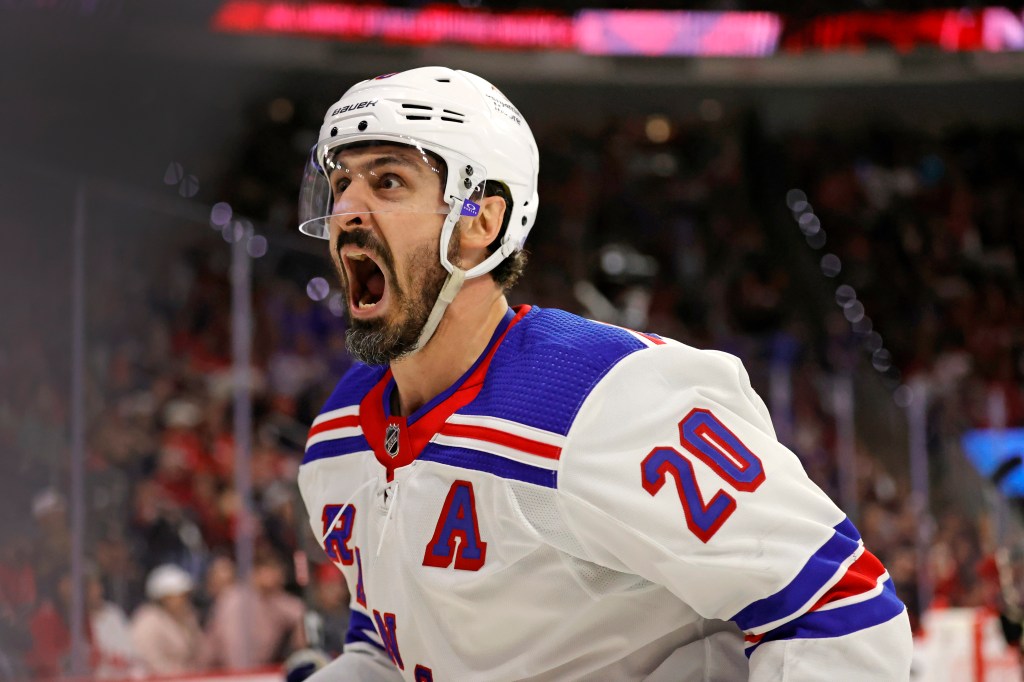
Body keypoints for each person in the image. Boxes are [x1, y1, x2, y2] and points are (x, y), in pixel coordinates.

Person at [294, 66, 913, 680]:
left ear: (479, 223)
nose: (347, 207)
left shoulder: (607, 398)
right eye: (342, 181)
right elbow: (389, 649)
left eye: (389, 181)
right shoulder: (338, 438)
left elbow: (840, 607)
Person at [200, 552, 306, 669]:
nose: (275, 576)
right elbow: (232, 649)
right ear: (254, 573)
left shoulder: (276, 600)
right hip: (221, 671)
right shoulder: (234, 599)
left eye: (276, 570)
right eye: (267, 570)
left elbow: (300, 612)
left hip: (256, 670)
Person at [130, 564, 202, 675]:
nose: (183, 600)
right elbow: (151, 663)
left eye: (185, 595)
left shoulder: (188, 618)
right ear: (162, 597)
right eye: (178, 596)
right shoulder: (147, 621)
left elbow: (199, 653)